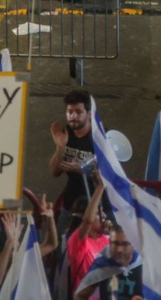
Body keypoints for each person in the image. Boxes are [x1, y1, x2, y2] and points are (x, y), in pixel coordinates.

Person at [50, 90, 95, 229]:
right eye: (70, 112)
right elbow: (55, 171)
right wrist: (60, 147)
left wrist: (81, 169)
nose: (73, 116)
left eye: (79, 112)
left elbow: (108, 174)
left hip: (98, 205)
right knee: (62, 239)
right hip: (71, 204)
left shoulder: (99, 137)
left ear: (89, 114)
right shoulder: (66, 133)